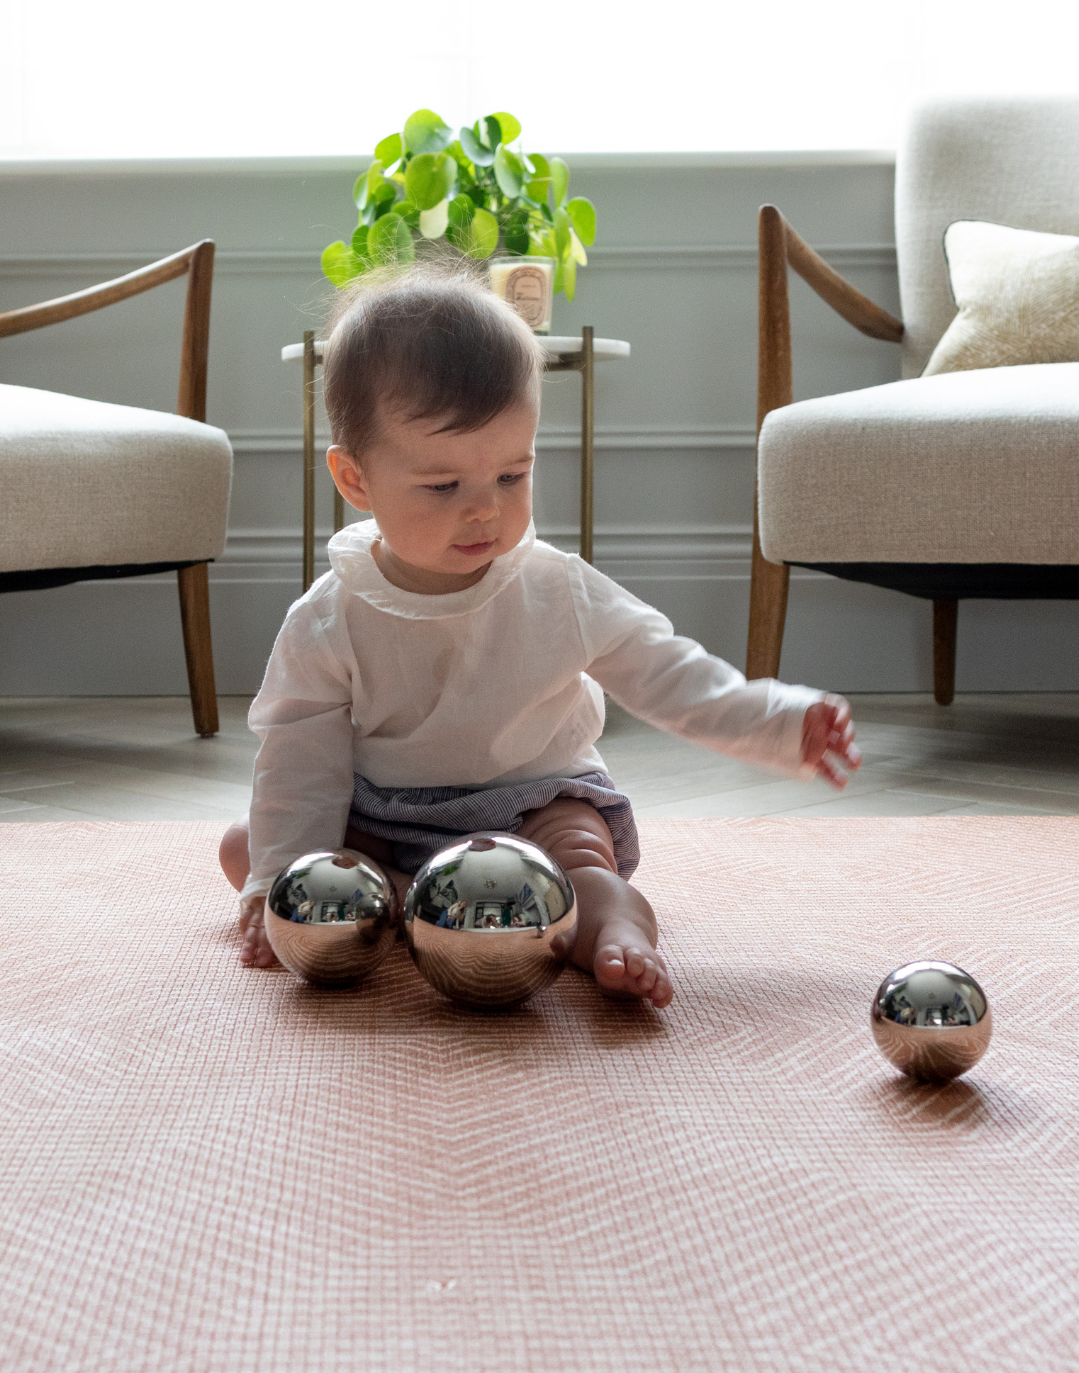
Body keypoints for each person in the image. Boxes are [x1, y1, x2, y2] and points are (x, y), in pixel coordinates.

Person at [220, 267, 860, 1008]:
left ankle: (614, 932)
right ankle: (405, 898)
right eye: (442, 487)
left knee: (584, 862)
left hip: (534, 806)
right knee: (245, 847)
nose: (485, 512)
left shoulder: (558, 589)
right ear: (355, 479)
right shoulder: (330, 617)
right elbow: (299, 763)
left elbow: (670, 675)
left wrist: (778, 720)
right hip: (383, 819)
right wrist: (278, 881)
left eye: (513, 475)